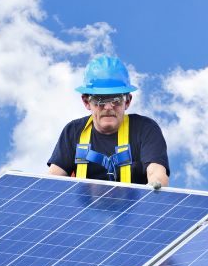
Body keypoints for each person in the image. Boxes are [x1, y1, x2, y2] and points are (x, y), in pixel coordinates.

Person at [47, 56, 170, 188]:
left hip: (134, 207)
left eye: (116, 99)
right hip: (85, 207)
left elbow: (156, 171)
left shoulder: (145, 129)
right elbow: (54, 179)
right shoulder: (73, 131)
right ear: (86, 102)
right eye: (100, 100)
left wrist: (156, 186)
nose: (108, 107)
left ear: (127, 101)